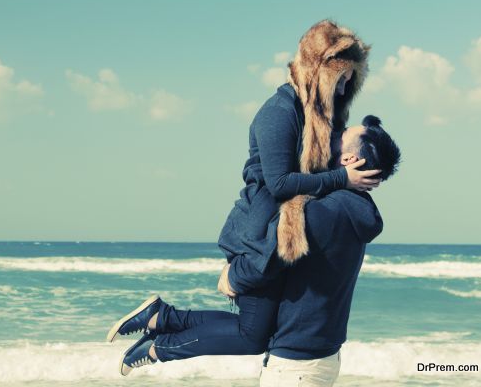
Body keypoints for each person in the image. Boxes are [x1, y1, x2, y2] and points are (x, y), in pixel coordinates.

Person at [107, 19, 378, 376]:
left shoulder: (317, 118)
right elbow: (279, 183)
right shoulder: (278, 113)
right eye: (340, 76)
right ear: (317, 71)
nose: (344, 87)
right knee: (252, 337)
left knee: (254, 334)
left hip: (279, 235)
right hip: (256, 235)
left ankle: (161, 318)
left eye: (349, 79)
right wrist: (343, 177)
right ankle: (160, 342)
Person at [107, 116, 401, 380]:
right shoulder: (354, 206)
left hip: (296, 366)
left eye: (341, 135)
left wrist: (234, 276)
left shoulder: (323, 212)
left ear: (349, 160)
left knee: (249, 335)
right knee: (250, 333)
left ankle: (160, 334)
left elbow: (272, 259)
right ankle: (160, 324)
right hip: (314, 355)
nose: (331, 134)